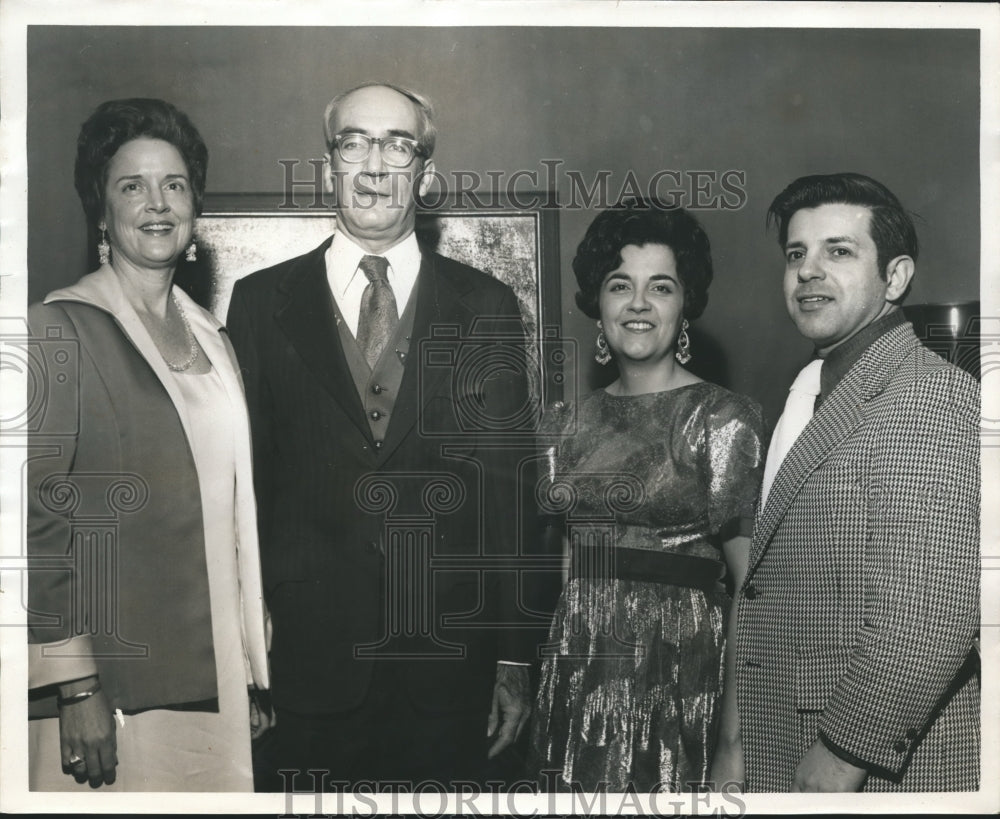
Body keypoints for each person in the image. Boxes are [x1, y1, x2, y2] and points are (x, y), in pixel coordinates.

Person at [225, 82, 535, 788]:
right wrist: (244, 654)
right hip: (302, 672)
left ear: (424, 173)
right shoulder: (258, 303)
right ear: (328, 164)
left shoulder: (486, 305)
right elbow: (238, 494)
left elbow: (510, 496)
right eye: (353, 142)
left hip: (448, 676)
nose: (372, 165)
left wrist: (514, 658)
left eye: (397, 145)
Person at [26, 98, 270, 791]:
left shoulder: (214, 340)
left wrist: (251, 660)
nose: (156, 203)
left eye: (175, 184)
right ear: (99, 212)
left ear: (195, 205)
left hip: (214, 666)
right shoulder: (57, 328)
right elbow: (35, 521)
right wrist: (74, 685)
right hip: (113, 685)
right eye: (131, 185)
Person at [726, 173, 979, 792]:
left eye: (839, 250)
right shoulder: (814, 392)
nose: (808, 271)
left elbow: (930, 614)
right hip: (788, 736)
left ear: (894, 278)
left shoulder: (927, 398)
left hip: (881, 771)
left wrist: (841, 755)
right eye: (796, 254)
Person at [528, 202, 765, 791]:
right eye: (620, 285)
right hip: (577, 676)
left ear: (684, 306)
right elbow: (560, 572)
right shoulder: (561, 424)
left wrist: (732, 745)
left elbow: (752, 592)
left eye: (660, 287)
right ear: (598, 304)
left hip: (684, 679)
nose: (638, 303)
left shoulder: (723, 418)